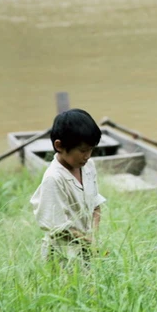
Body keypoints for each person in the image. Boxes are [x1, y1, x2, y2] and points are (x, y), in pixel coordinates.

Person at [30, 108, 106, 265]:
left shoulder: (88, 166)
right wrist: (88, 241)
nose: (87, 156)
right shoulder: (54, 178)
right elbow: (57, 228)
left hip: (86, 250)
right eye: (83, 150)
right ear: (59, 146)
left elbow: (96, 206)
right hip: (62, 255)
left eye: (91, 149)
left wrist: (93, 235)